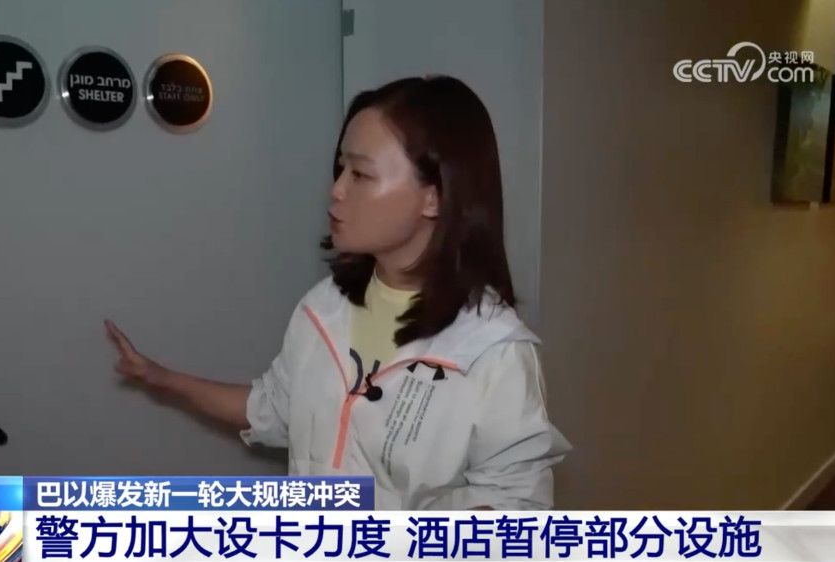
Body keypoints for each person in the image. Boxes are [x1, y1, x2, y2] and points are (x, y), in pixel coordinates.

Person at [105, 75, 571, 510]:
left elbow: (515, 509)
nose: (336, 191)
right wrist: (161, 378)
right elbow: (272, 409)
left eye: (360, 175)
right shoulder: (322, 306)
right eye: (340, 168)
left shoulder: (492, 351)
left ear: (434, 196)